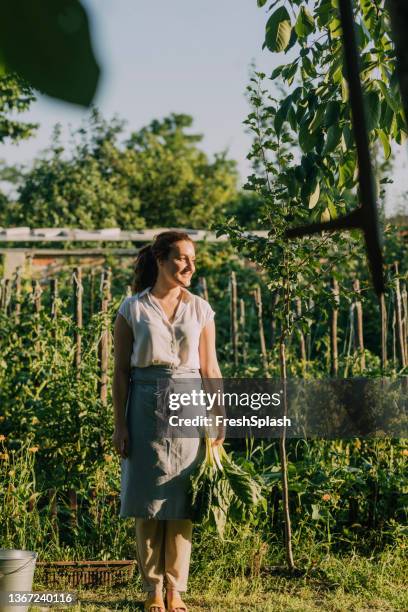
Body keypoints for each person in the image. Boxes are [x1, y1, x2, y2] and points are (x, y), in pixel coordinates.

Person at [112, 230, 224, 612]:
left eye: (193, 259)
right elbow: (120, 373)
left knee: (181, 501)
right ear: (160, 260)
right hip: (143, 404)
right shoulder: (132, 309)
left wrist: (219, 413)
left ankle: (176, 589)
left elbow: (210, 367)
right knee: (146, 500)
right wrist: (120, 425)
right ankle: (153, 590)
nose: (190, 265)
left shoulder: (200, 309)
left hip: (191, 404)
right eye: (181, 258)